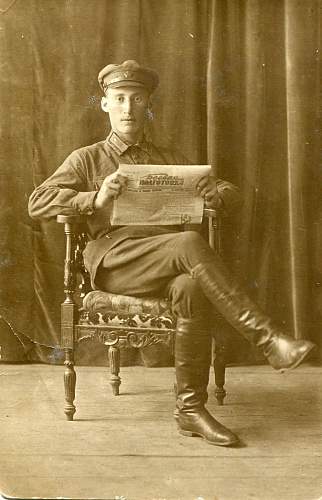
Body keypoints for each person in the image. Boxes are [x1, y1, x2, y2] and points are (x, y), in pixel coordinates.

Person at [28, 60, 315, 447]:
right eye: (119, 98)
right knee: (190, 243)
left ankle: (190, 410)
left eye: (137, 99)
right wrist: (93, 197)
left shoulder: (167, 157)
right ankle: (267, 340)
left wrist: (219, 194)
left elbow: (222, 185)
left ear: (148, 106)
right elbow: (38, 201)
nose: (128, 108)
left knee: (190, 288)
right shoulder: (87, 159)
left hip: (167, 260)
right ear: (105, 105)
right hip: (116, 262)